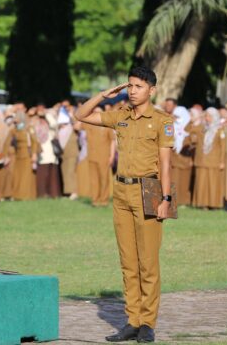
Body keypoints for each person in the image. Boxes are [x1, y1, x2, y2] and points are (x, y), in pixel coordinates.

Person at [75, 66, 174, 343]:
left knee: (148, 263)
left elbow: (166, 165)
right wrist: (103, 94)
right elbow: (80, 115)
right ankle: (132, 321)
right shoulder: (120, 117)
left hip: (150, 189)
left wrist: (166, 199)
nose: (132, 91)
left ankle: (147, 324)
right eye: (129, 86)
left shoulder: (162, 120)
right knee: (128, 262)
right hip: (121, 190)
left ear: (152, 90)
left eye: (138, 86)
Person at [190, 108, 226, 209]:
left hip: (214, 161)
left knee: (213, 184)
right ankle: (202, 204)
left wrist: (222, 161)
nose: (207, 118)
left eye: (209, 116)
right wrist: (197, 118)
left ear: (214, 117)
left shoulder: (220, 130)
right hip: (201, 160)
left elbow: (223, 147)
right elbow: (187, 129)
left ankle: (214, 204)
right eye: (206, 116)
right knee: (202, 184)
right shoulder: (201, 128)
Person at [84, 107, 116, 206]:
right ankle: (95, 200)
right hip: (92, 155)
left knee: (104, 179)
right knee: (94, 179)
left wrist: (112, 155)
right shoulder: (88, 124)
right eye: (94, 112)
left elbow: (112, 141)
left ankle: (104, 200)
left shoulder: (107, 126)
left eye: (98, 113)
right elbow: (76, 126)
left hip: (104, 156)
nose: (96, 114)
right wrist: (87, 112)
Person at [10, 112, 38, 201]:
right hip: (18, 155)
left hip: (27, 155)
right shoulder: (15, 130)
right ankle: (17, 195)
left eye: (17, 122)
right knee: (18, 176)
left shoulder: (29, 128)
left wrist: (34, 154)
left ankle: (26, 195)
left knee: (26, 176)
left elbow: (35, 142)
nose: (16, 124)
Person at [170, 106, 194, 206]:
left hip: (185, 158)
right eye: (174, 116)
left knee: (184, 180)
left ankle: (184, 201)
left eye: (178, 116)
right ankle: (172, 200)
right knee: (173, 179)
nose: (175, 118)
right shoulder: (171, 126)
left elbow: (192, 141)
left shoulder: (190, 127)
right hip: (174, 157)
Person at [57, 108, 79, 199]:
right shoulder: (59, 130)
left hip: (72, 153)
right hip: (63, 154)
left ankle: (74, 192)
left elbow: (76, 123)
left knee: (70, 172)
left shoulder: (71, 127)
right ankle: (68, 192)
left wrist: (71, 114)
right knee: (65, 172)